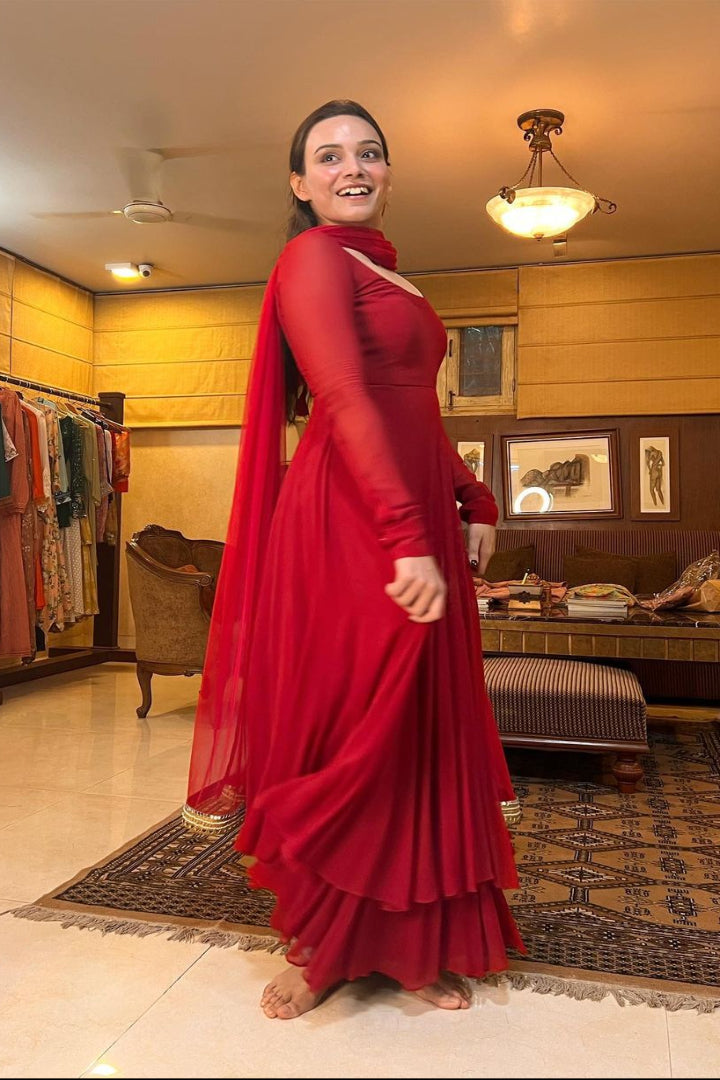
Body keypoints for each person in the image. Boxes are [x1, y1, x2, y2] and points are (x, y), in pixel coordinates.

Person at [183, 99, 524, 1020]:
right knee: (350, 725)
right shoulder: (312, 260)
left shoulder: (394, 277)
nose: (352, 168)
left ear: (386, 170)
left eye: (368, 152)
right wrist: (408, 532)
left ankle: (416, 939)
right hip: (348, 522)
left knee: (416, 734)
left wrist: (470, 493)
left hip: (410, 511)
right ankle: (326, 946)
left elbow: (414, 404)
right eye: (328, 157)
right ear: (301, 184)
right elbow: (340, 393)